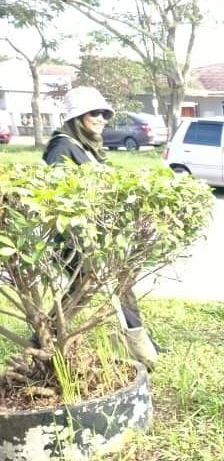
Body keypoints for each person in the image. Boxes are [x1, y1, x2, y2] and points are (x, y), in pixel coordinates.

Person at [42, 85, 160, 366]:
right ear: (77, 117)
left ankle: (141, 345)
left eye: (105, 113)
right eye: (94, 113)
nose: (102, 119)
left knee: (120, 282)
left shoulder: (87, 147)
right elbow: (57, 195)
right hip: (75, 237)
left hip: (97, 235)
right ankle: (43, 338)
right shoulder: (62, 147)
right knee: (82, 290)